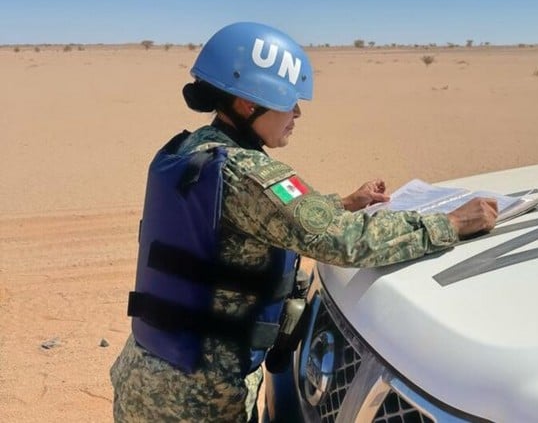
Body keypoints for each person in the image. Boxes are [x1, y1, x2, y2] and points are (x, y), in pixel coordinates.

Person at [110, 22, 498, 422]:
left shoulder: (192, 150)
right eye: (287, 101)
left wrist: (343, 203)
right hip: (199, 399)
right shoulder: (250, 175)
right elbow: (345, 242)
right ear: (247, 103)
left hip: (145, 373)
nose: (297, 113)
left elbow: (247, 221)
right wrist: (450, 223)